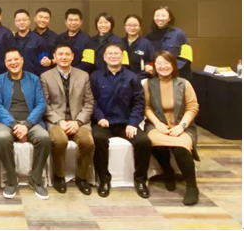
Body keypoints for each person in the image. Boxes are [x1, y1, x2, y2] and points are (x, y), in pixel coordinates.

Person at [91, 43, 151, 199]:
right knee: (98, 139)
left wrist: (133, 123)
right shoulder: (95, 77)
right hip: (103, 122)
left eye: (116, 53)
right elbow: (91, 101)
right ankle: (104, 180)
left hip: (126, 123)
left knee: (144, 141)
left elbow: (139, 103)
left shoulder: (132, 77)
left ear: (123, 56)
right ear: (104, 57)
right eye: (109, 54)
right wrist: (99, 117)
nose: (113, 56)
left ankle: (140, 180)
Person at [144, 51, 200, 205]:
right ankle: (167, 170)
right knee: (153, 142)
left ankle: (192, 186)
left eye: (166, 63)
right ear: (154, 66)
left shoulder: (184, 83)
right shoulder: (149, 84)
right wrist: (157, 124)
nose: (163, 66)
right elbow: (146, 107)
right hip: (158, 124)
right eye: (159, 63)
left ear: (173, 65)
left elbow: (192, 108)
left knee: (180, 148)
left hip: (182, 125)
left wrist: (182, 126)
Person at [0, 48, 51, 200]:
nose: (13, 63)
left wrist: (26, 125)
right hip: (7, 122)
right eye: (9, 60)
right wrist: (14, 125)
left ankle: (36, 179)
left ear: (22, 60)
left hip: (30, 121)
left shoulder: (34, 79)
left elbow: (41, 104)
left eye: (16, 59)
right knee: (2, 138)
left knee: (44, 138)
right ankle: (11, 179)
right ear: (5, 63)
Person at [41, 44, 94, 196]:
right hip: (56, 121)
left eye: (67, 54)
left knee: (88, 142)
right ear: (54, 57)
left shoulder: (83, 75)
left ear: (72, 57)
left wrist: (78, 122)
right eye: (60, 54)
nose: (64, 57)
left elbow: (89, 103)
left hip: (78, 120)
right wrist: (60, 121)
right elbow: (45, 104)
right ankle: (59, 177)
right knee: (59, 141)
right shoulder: (45, 76)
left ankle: (82, 178)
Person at [146, 6, 193, 81]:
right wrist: (147, 65)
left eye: (163, 16)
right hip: (157, 75)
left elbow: (187, 57)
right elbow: (147, 56)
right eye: (157, 16)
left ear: (169, 18)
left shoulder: (179, 33)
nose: (160, 18)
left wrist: (169, 68)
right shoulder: (149, 36)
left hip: (178, 75)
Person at [12, 9, 49, 76]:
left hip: (34, 77)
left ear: (29, 21)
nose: (21, 22)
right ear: (15, 22)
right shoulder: (11, 39)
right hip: (14, 77)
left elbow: (43, 63)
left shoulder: (39, 40)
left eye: (24, 20)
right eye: (18, 20)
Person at [121, 14, 155, 80]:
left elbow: (151, 61)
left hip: (141, 77)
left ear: (140, 27)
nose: (132, 28)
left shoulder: (146, 43)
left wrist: (147, 65)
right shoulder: (120, 42)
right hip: (122, 78)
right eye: (129, 25)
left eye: (135, 25)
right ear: (125, 26)